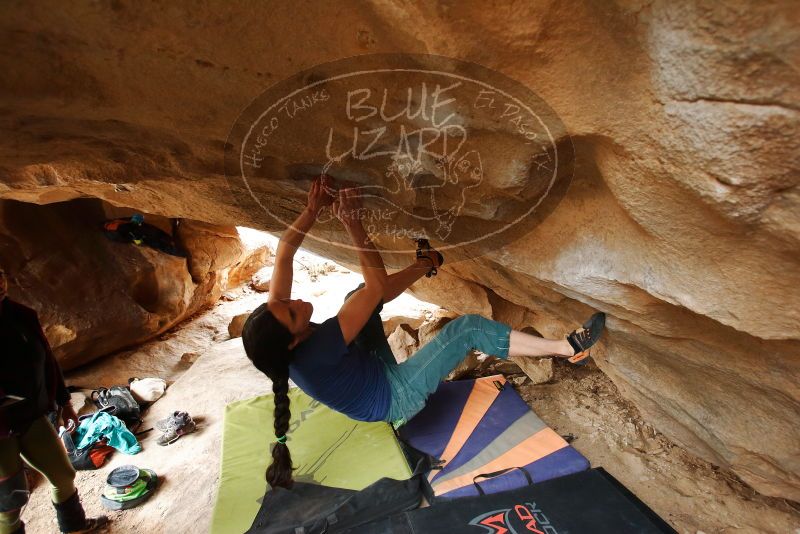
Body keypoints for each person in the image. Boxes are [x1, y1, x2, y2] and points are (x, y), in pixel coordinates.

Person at [242, 175, 606, 490]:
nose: (296, 301)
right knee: (466, 329)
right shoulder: (316, 352)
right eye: (293, 312)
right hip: (393, 398)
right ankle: (566, 348)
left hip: (366, 370)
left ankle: (428, 262)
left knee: (359, 297)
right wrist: (354, 225)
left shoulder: (281, 332)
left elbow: (284, 255)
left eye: (285, 302)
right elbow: (377, 285)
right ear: (293, 340)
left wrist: (312, 209)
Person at [0, 267, 109, 534]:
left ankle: (75, 527)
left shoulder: (21, 316)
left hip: (31, 416)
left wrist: (65, 403)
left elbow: (48, 361)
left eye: (0, 275)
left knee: (63, 475)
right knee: (11, 501)